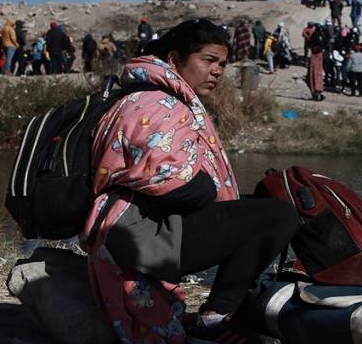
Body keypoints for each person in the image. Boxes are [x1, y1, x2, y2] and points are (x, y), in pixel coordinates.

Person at [80, 18, 298, 344]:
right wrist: (209, 189)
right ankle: (215, 317)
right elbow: (172, 187)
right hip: (138, 234)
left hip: (133, 227)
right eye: (208, 60)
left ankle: (226, 311)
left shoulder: (143, 95)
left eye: (222, 63)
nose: (218, 71)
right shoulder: (160, 104)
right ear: (173, 60)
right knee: (280, 217)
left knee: (256, 212)